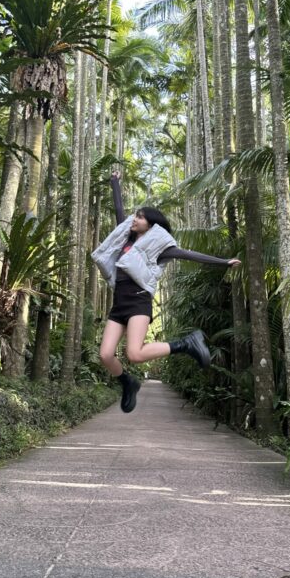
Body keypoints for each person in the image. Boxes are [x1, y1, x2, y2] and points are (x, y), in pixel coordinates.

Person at [91, 172, 241, 413]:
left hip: (139, 301)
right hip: (119, 302)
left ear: (150, 223)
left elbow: (188, 254)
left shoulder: (160, 249)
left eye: (140, 217)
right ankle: (128, 383)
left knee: (135, 354)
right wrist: (115, 183)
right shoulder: (125, 239)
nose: (135, 219)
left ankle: (186, 344)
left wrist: (223, 262)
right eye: (136, 215)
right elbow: (120, 212)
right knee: (106, 355)